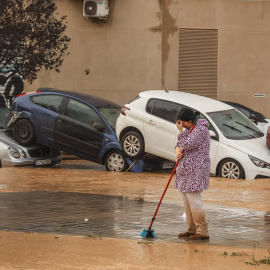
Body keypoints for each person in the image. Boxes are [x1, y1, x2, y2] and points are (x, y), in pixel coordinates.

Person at [174, 107, 210, 240]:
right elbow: (179, 143)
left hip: (197, 170)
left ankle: (203, 231)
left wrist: (180, 131)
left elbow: (189, 144)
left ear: (190, 121)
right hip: (185, 170)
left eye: (183, 123)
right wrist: (177, 151)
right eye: (179, 123)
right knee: (187, 200)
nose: (182, 126)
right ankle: (191, 229)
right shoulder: (189, 130)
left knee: (194, 199)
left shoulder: (201, 129)